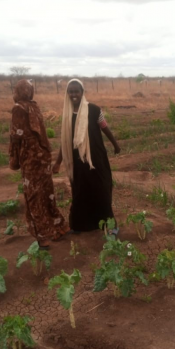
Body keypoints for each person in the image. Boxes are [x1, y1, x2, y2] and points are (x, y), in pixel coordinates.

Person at [52, 79, 120, 233]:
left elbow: (105, 128)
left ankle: (111, 226)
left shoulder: (94, 110)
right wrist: (57, 163)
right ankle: (79, 225)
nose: (73, 94)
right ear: (67, 93)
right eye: (71, 91)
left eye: (76, 91)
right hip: (77, 163)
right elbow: (65, 141)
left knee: (101, 191)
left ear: (82, 92)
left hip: (95, 159)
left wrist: (115, 144)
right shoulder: (67, 115)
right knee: (80, 193)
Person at [9, 79, 69, 249]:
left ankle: (49, 231)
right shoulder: (26, 107)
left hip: (36, 157)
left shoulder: (26, 107)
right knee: (40, 193)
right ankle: (49, 231)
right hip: (36, 157)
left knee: (40, 193)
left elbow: (20, 135)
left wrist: (15, 159)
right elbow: (23, 134)